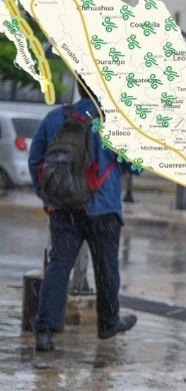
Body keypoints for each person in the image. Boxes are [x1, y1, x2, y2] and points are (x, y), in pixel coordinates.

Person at [27, 80, 138, 352]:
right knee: (107, 266)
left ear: (78, 88)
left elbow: (35, 160)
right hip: (104, 208)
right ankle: (108, 323)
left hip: (64, 207)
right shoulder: (113, 122)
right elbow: (135, 165)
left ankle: (44, 331)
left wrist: (46, 196)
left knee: (59, 266)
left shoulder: (55, 118)